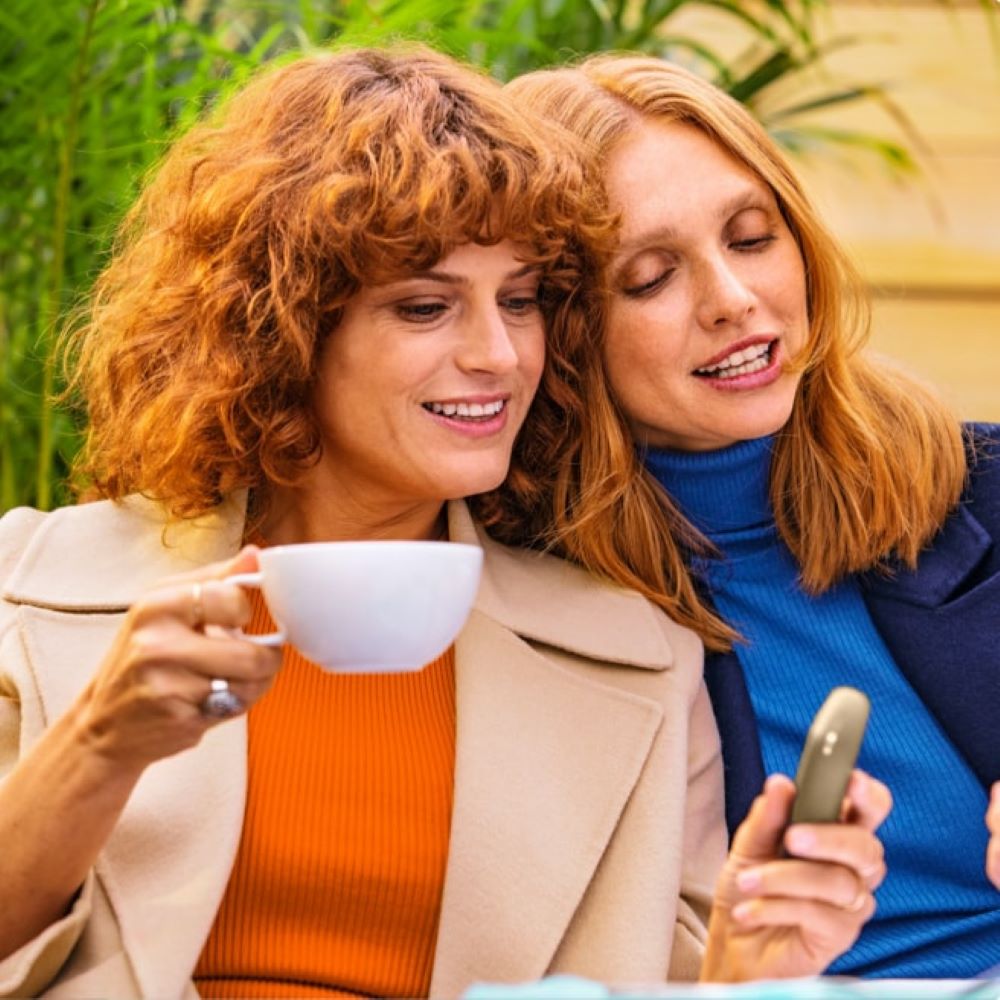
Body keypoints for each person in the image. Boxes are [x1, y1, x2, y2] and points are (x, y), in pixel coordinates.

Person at [0, 44, 888, 1000]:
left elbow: (674, 984)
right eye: (426, 307)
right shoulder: (30, 591)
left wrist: (750, 967)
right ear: (283, 331)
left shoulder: (637, 655)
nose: (499, 354)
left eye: (520, 301)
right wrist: (98, 745)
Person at [501, 54, 1000, 980]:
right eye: (650, 278)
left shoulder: (979, 491)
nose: (733, 300)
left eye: (752, 237)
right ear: (561, 332)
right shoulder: (519, 607)